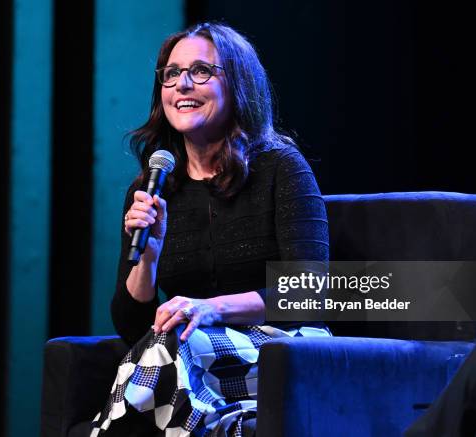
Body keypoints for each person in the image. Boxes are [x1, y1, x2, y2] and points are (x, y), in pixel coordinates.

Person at [91, 22, 329, 437]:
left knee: (169, 352)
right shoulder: (153, 185)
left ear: (237, 84)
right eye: (171, 73)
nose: (182, 84)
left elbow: (308, 292)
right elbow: (133, 327)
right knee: (165, 351)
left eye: (201, 71)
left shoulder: (281, 167)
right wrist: (148, 255)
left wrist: (209, 307)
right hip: (188, 350)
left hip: (283, 344)